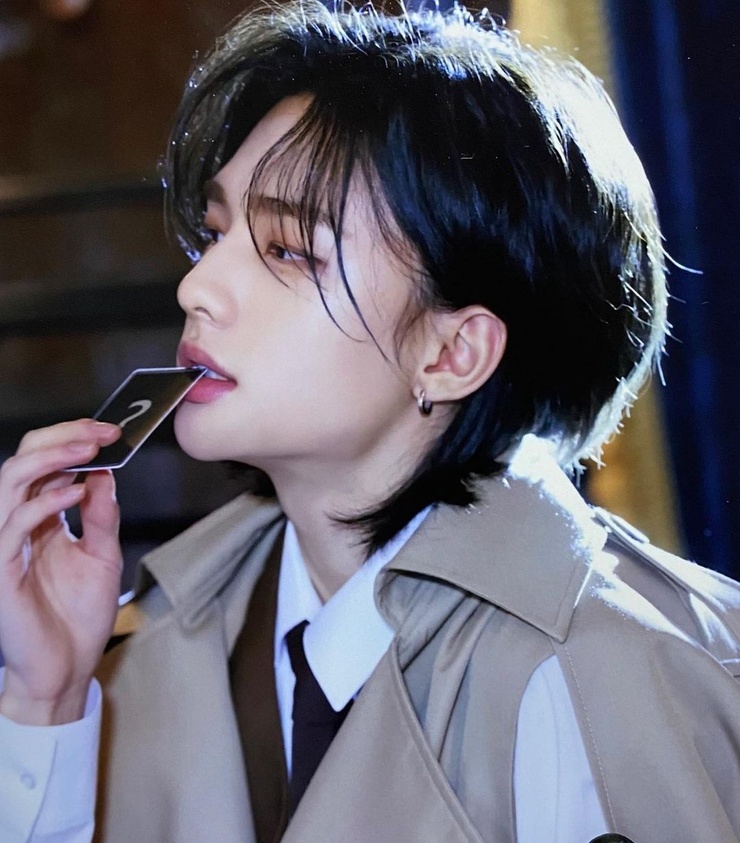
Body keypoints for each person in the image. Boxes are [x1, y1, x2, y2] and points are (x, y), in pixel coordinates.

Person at [1, 2, 739, 841]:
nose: (195, 288)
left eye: (289, 249)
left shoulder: (614, 672)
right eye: (215, 232)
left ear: (453, 352)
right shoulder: (142, 637)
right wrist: (45, 702)